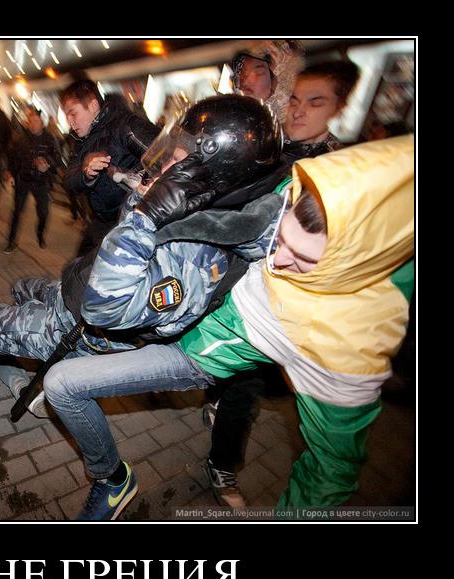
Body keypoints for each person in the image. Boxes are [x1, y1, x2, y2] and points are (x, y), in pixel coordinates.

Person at [0, 96, 282, 464]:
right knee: (20, 288)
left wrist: (147, 216)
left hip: (76, 327)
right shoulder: (198, 212)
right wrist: (140, 200)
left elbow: (104, 307)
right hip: (71, 292)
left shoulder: (199, 260)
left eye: (177, 161)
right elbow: (122, 238)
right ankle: (11, 356)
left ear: (209, 174)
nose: (165, 168)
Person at [43, 134, 414, 515]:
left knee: (63, 384)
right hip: (176, 304)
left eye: (303, 260)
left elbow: (330, 471)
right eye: (282, 238)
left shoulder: (348, 344)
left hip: (193, 353)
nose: (277, 260)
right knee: (60, 310)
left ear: (349, 265)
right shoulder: (303, 191)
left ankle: (112, 480)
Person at [204, 59, 362, 508]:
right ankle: (216, 412)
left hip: (277, 292)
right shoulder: (270, 144)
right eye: (295, 99)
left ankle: (222, 460)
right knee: (232, 372)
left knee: (249, 381)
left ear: (339, 109)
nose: (299, 110)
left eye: (316, 102)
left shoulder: (337, 169)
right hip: (228, 274)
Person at [60, 79, 160, 255]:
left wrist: (136, 179)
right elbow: (69, 181)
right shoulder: (80, 141)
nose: (70, 121)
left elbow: (165, 156)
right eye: (67, 115)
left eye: (73, 114)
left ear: (92, 105)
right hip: (103, 222)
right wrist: (86, 173)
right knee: (77, 267)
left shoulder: (125, 125)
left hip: (133, 223)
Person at [4, 106, 61, 252]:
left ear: (42, 123)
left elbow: (57, 159)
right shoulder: (21, 138)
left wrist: (47, 163)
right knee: (17, 211)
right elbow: (13, 157)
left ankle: (40, 234)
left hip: (41, 181)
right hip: (24, 179)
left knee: (43, 213)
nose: (33, 125)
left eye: (36, 122)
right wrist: (10, 172)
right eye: (31, 122)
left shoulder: (50, 139)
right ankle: (11, 241)